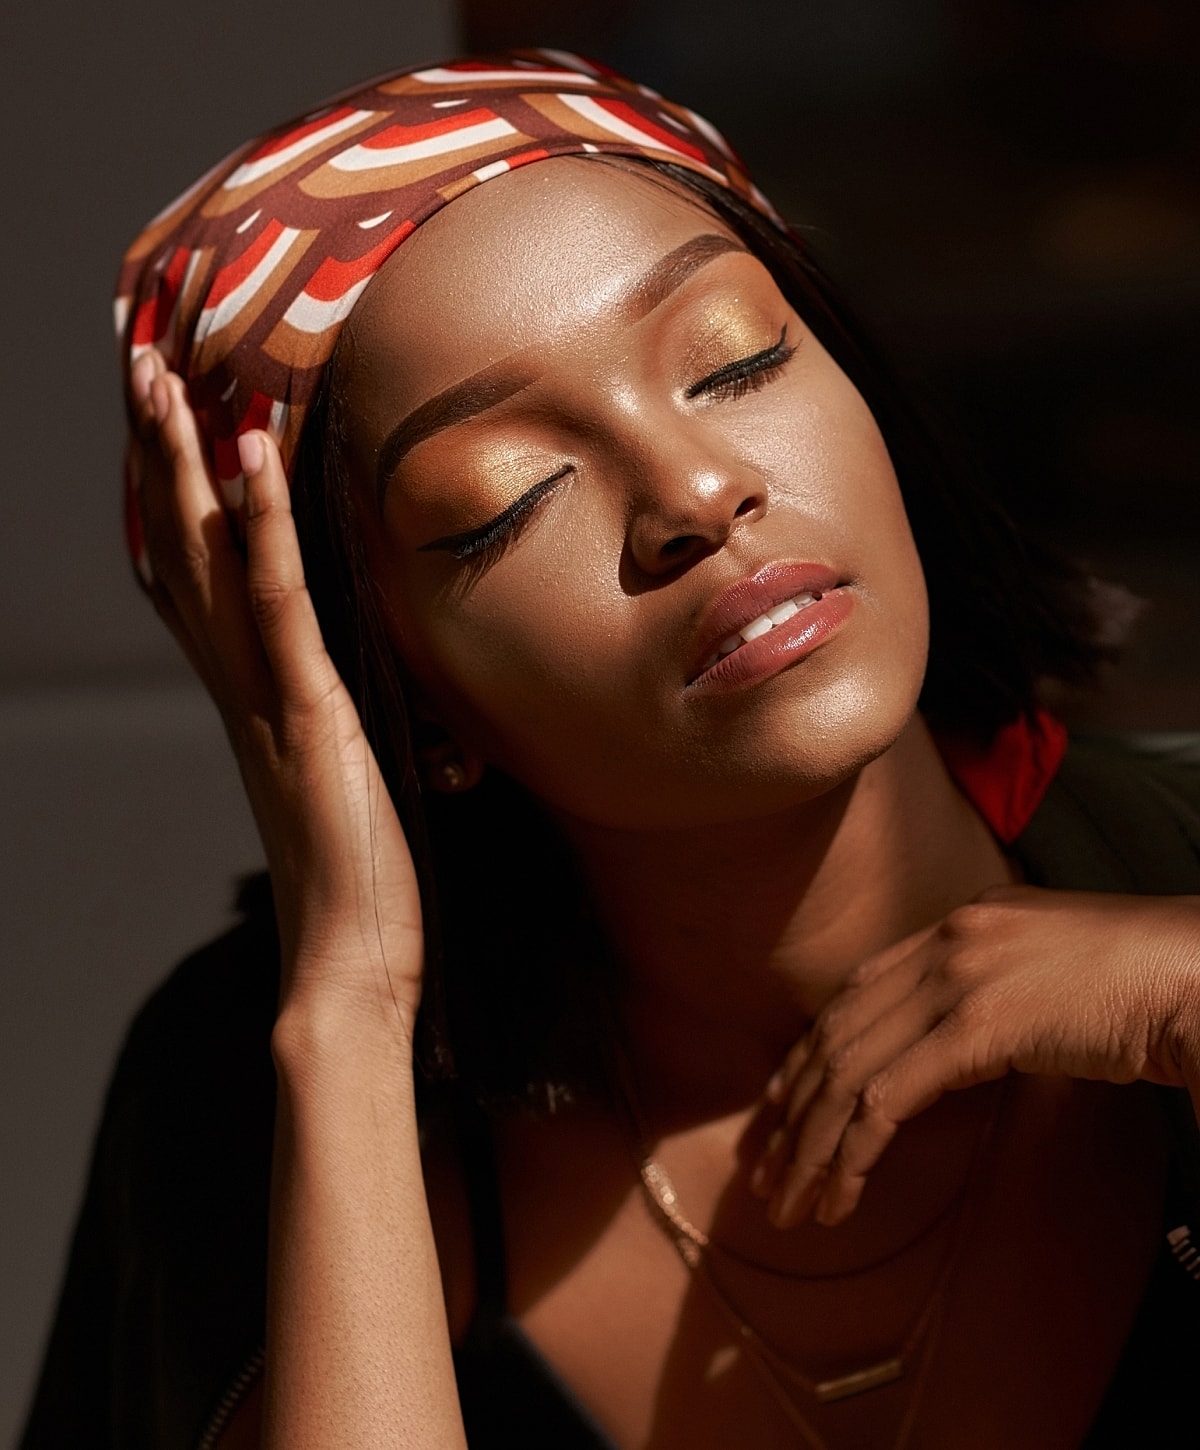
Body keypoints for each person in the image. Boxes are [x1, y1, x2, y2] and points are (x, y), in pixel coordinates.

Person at [21, 48, 1200, 1450]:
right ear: (403, 691)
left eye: (735, 358)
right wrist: (345, 1014)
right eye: (506, 500)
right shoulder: (233, 1099)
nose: (697, 495)